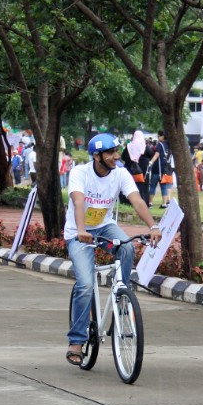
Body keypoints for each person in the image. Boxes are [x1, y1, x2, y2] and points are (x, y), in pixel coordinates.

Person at [64, 133, 162, 365]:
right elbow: (78, 202)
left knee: (127, 247)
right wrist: (81, 230)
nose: (115, 156)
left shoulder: (120, 173)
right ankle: (77, 341)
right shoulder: (80, 173)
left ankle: (121, 292)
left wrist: (153, 225)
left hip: (105, 227)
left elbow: (137, 200)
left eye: (116, 151)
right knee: (86, 284)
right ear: (97, 156)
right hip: (78, 232)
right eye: (110, 153)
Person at [148, 130, 174, 207]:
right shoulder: (169, 145)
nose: (158, 137)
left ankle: (150, 203)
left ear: (162, 136)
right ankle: (164, 203)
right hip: (165, 169)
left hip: (157, 169)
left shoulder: (160, 145)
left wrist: (150, 162)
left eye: (158, 136)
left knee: (152, 186)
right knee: (164, 187)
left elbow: (156, 155)